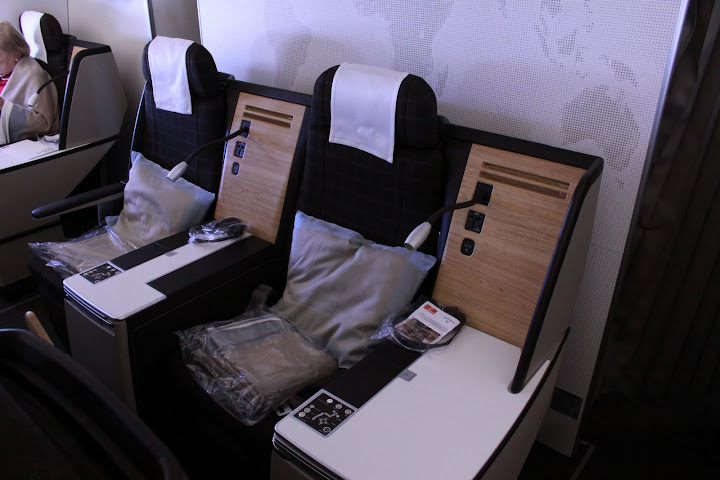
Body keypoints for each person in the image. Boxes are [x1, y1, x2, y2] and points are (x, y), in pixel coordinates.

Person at [0, 21, 59, 145]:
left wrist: (3, 106)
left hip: (24, 144)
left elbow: (43, 124)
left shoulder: (33, 74)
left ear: (16, 52)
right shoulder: (4, 71)